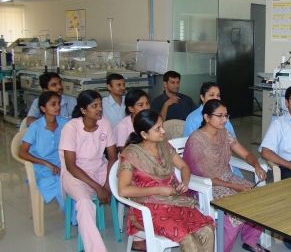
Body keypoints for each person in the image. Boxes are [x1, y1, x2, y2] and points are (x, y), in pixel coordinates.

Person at [118, 110, 214, 252]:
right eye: (158, 129)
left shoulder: (164, 146)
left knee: (207, 231)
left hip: (174, 201)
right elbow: (123, 190)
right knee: (188, 240)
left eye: (162, 126)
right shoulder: (131, 154)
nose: (163, 131)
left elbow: (183, 166)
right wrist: (157, 190)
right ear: (144, 134)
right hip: (148, 207)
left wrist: (185, 183)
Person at [183, 99, 268, 252]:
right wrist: (237, 187)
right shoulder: (196, 140)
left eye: (226, 116)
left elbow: (246, 153)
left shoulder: (224, 133)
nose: (225, 120)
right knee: (235, 211)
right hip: (207, 185)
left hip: (227, 177)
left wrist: (257, 166)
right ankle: (223, 249)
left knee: (259, 198)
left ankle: (250, 240)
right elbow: (206, 177)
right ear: (207, 117)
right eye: (220, 116)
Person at [59, 90, 118, 252]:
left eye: (100, 105)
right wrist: (98, 187)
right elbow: (71, 165)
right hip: (75, 175)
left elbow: (112, 157)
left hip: (100, 169)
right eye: (94, 106)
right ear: (84, 110)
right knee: (85, 204)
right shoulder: (71, 128)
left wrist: (107, 183)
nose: (99, 109)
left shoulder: (105, 123)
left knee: (129, 182)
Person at [19, 91, 69, 209]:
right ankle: (73, 217)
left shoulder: (65, 123)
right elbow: (22, 152)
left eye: (58, 103)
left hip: (62, 164)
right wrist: (46, 163)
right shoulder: (35, 127)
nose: (58, 107)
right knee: (56, 183)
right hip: (41, 167)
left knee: (72, 182)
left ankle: (78, 215)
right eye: (53, 104)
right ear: (43, 108)